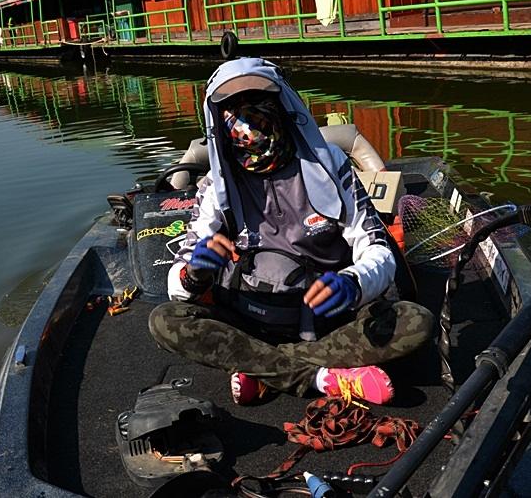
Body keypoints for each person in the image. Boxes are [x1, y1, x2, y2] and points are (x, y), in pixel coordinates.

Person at [148, 57, 434, 406]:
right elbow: (178, 290)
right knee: (166, 320)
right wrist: (193, 275)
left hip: (330, 320)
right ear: (218, 121)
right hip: (249, 318)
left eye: (258, 103)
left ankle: (262, 369)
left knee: (413, 322)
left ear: (283, 104)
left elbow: (378, 250)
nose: (247, 120)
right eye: (233, 108)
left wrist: (354, 282)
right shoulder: (215, 187)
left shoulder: (330, 165)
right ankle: (322, 377)